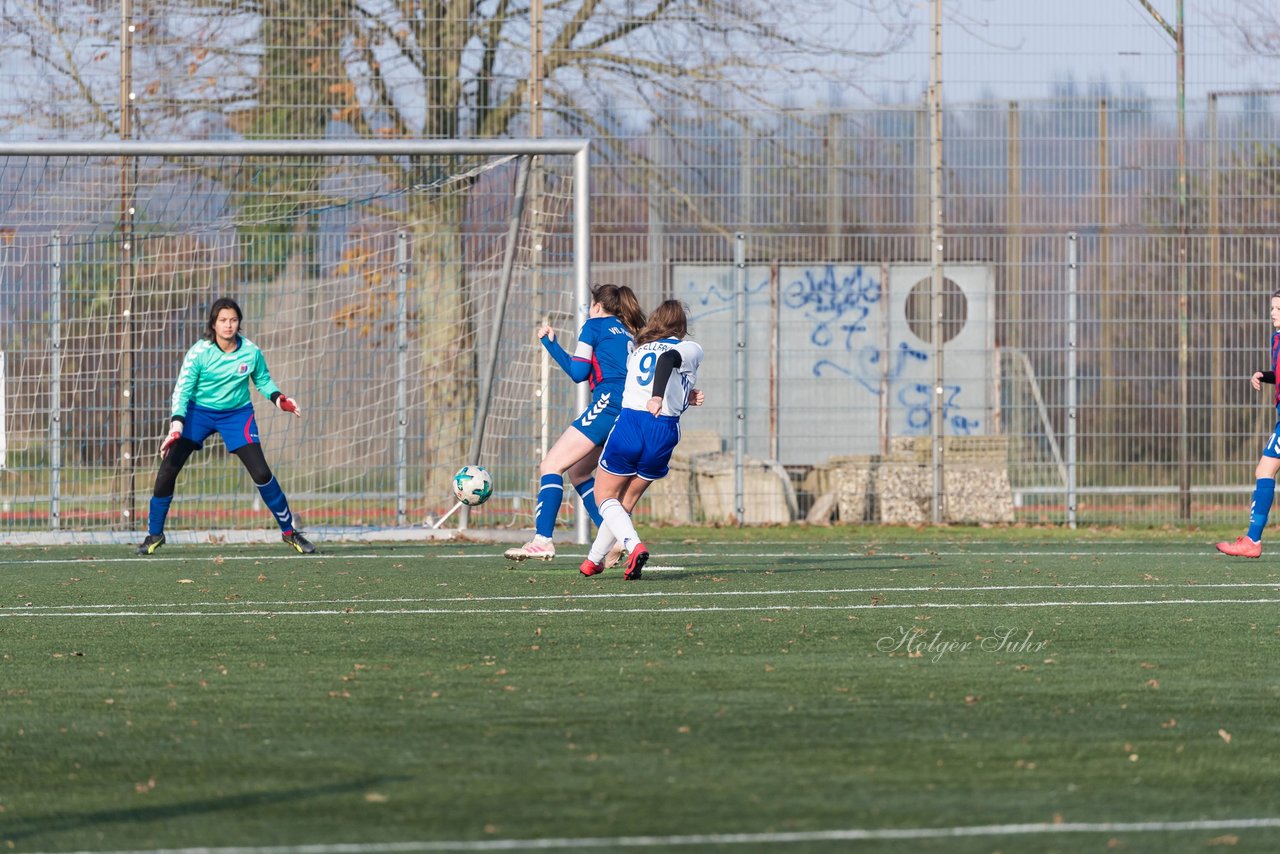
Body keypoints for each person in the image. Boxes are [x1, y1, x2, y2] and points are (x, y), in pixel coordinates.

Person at [136, 297, 316, 556]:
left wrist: (280, 399)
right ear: (213, 323)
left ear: (239, 323)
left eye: (233, 320)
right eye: (223, 320)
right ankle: (154, 535)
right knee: (167, 469)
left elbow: (263, 381)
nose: (228, 325)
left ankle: (290, 533)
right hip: (198, 413)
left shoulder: (251, 352)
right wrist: (177, 426)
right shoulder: (199, 352)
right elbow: (182, 390)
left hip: (237, 415)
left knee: (262, 473)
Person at [504, 284, 646, 562]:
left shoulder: (594, 326)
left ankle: (543, 539)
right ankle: (614, 537)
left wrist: (550, 343)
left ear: (597, 306)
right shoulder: (628, 331)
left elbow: (578, 372)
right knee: (578, 473)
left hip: (607, 404)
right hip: (629, 409)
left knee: (551, 465)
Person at [578, 299, 705, 580]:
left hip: (633, 421)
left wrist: (657, 396)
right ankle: (593, 560)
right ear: (681, 327)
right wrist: (686, 397)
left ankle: (633, 545)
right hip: (664, 431)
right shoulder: (692, 348)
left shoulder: (639, 350)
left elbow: (664, 361)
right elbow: (673, 368)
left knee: (604, 497)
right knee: (625, 502)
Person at [1217, 289, 1280, 558]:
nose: (1273, 313)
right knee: (1264, 470)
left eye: (1279, 309)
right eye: (1272, 309)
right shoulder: (1276, 338)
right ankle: (1252, 541)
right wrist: (1263, 375)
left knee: (1264, 470)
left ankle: (1253, 540)